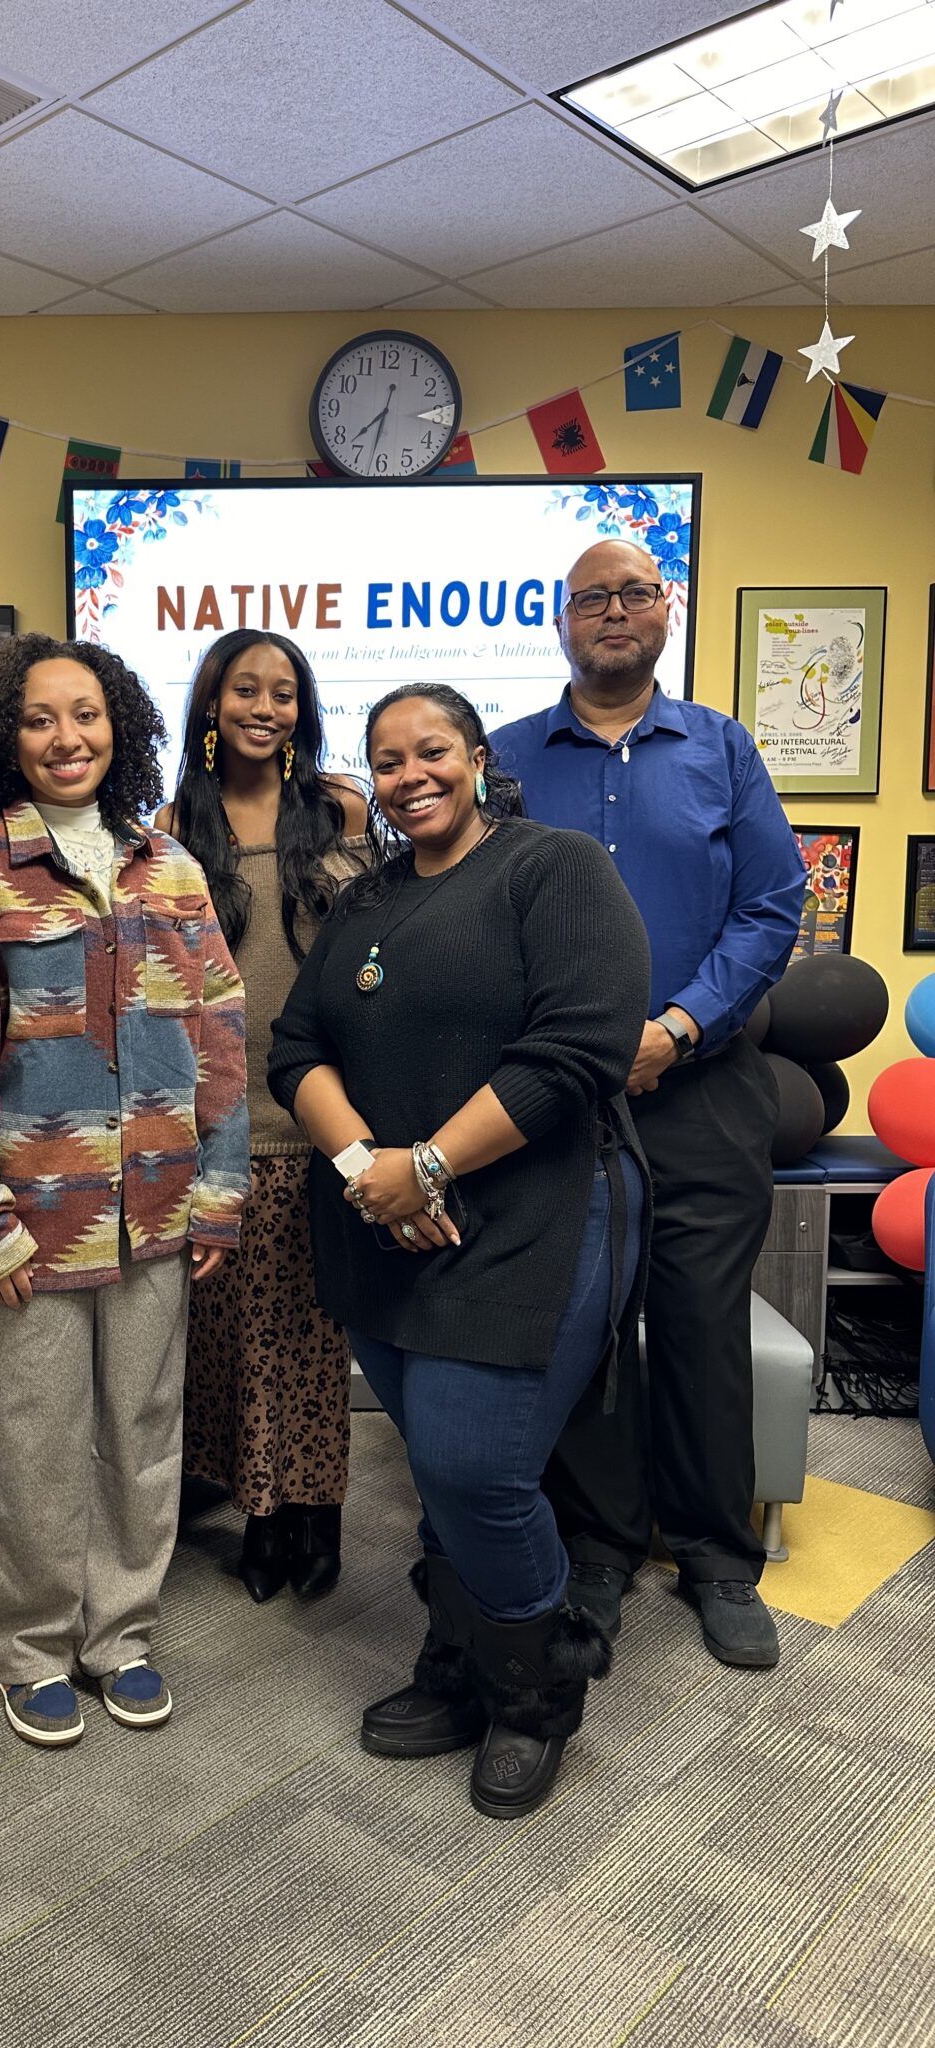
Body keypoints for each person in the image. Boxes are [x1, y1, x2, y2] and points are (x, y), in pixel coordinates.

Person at [268, 683, 649, 1819]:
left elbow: (580, 1047)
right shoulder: (366, 896)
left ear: (479, 758)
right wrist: (369, 1174)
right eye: (386, 761)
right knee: (440, 1468)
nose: (408, 774)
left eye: (432, 750)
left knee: (476, 1462)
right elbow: (299, 1047)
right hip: (383, 1222)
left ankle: (537, 1692)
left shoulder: (557, 867)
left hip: (536, 1212)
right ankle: (464, 1660)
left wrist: (427, 1163)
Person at [0, 632, 249, 1749]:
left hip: (156, 1209)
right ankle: (32, 1645)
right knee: (30, 1442)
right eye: (43, 718)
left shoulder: (175, 869)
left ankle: (122, 1634)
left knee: (142, 1434)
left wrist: (219, 1187)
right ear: (9, 737)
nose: (68, 738)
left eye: (88, 715)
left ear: (123, 728)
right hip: (25, 1220)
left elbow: (222, 1041)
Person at [492, 541, 805, 1670]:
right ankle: (600, 1543)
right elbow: (473, 908)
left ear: (665, 611)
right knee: (576, 1322)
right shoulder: (506, 759)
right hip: (559, 1102)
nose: (613, 612)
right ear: (560, 620)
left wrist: (676, 1029)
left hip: (704, 1087)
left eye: (634, 593)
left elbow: (773, 909)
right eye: (591, 598)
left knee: (698, 1320)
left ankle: (719, 1553)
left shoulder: (723, 748)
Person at [155, 630, 367, 1602]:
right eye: (246, 688)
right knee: (234, 1341)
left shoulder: (340, 810)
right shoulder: (170, 827)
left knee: (313, 1334)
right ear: (210, 702)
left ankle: (314, 1518)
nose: (265, 707)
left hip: (324, 1112)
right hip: (219, 1122)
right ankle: (260, 1513)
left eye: (285, 692)